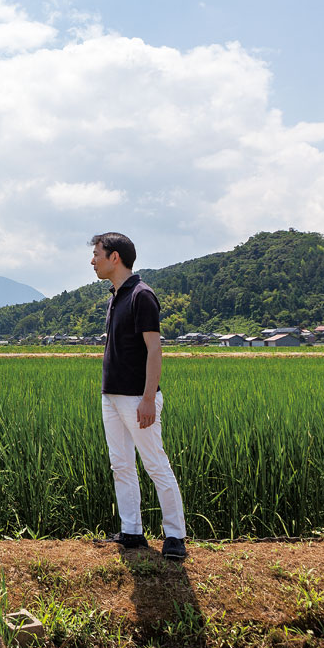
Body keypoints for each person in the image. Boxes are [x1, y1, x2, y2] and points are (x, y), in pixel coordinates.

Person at [90, 232, 187, 562]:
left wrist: (148, 398)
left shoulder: (141, 295)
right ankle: (132, 530)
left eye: (97, 254)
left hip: (136, 399)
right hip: (111, 397)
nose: (93, 261)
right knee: (121, 464)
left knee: (155, 464)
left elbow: (154, 350)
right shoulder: (116, 296)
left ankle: (175, 535)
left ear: (114, 257)